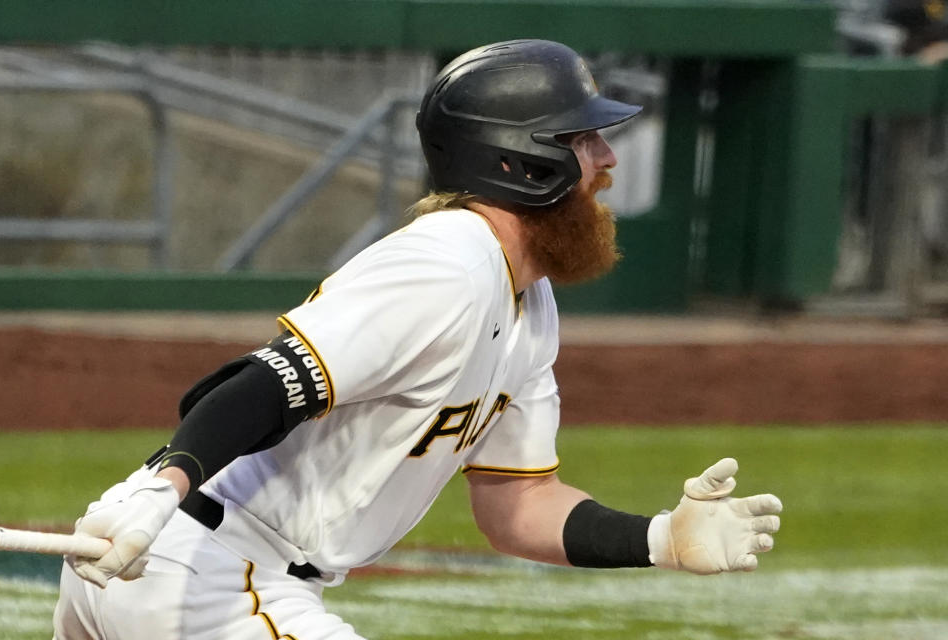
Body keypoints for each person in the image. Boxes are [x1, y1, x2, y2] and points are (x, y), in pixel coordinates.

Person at [52, 39, 783, 640]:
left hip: (192, 566)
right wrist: (161, 485)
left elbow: (517, 508)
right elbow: (261, 385)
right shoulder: (446, 267)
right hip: (200, 568)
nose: (607, 161)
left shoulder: (528, 301)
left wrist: (658, 539)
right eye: (584, 139)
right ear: (523, 159)